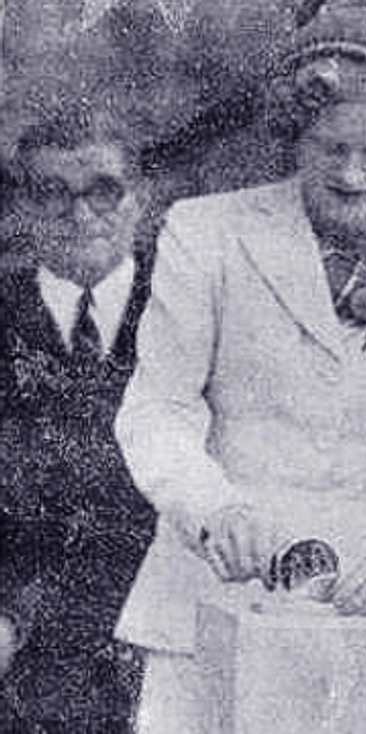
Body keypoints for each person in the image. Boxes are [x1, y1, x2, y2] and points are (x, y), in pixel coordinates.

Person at [112, 6, 366, 732]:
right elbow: (159, 406)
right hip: (215, 592)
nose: (352, 173)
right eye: (330, 147)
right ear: (294, 131)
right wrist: (212, 510)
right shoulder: (206, 232)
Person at [0, 104, 157, 733]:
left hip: (158, 618)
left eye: (104, 191)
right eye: (52, 193)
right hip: (19, 631)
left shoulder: (189, 307)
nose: (80, 214)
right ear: (21, 207)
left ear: (140, 200)